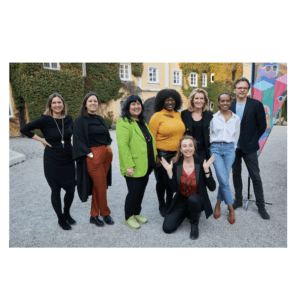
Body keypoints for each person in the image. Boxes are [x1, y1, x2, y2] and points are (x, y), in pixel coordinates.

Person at [20, 93, 76, 230]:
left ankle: (67, 213)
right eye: (54, 103)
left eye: (59, 102)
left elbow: (74, 133)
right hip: (52, 161)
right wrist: (42, 140)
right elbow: (24, 129)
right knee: (55, 190)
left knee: (71, 189)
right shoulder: (45, 119)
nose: (57, 105)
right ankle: (61, 218)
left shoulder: (68, 118)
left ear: (63, 104)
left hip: (68, 159)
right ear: (50, 105)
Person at [160, 135, 216, 240]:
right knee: (167, 228)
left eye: (190, 145)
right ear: (180, 149)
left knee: (193, 199)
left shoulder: (201, 163)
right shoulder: (176, 165)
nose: (188, 148)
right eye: (184, 146)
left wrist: (207, 170)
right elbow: (173, 190)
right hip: (181, 198)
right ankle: (187, 211)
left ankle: (194, 224)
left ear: (194, 148)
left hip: (196, 198)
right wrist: (169, 172)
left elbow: (212, 188)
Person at [230, 77, 270, 219]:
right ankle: (238, 200)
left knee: (255, 176)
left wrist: (252, 139)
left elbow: (262, 126)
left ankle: (261, 206)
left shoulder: (256, 104)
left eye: (245, 88)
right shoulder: (230, 105)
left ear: (248, 90)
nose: (242, 90)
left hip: (250, 147)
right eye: (239, 87)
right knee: (236, 174)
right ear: (235, 89)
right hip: (234, 147)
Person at [73, 92, 114, 227]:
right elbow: (78, 140)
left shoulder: (100, 118)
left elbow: (107, 135)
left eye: (95, 101)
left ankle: (94, 215)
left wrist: (108, 149)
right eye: (90, 101)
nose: (93, 103)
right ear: (85, 103)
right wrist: (89, 154)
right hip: (93, 155)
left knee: (99, 186)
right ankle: (104, 214)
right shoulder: (80, 120)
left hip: (106, 155)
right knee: (101, 185)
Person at [116, 95, 157, 229]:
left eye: (138, 104)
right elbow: (123, 146)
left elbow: (149, 141)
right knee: (133, 192)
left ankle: (136, 213)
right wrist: (128, 165)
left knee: (141, 190)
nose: (136, 106)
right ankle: (128, 217)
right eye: (133, 104)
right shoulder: (124, 122)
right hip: (133, 165)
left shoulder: (142, 121)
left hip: (145, 164)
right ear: (127, 107)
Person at [149, 89, 185, 217]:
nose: (170, 102)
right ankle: (161, 203)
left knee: (173, 180)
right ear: (162, 101)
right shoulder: (156, 116)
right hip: (162, 154)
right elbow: (151, 139)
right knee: (162, 181)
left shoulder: (179, 115)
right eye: (167, 100)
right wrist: (155, 156)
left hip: (177, 154)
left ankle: (170, 201)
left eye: (172, 99)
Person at [210, 93, 240, 224]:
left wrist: (232, 148)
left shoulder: (236, 118)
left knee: (224, 179)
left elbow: (236, 136)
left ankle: (217, 204)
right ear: (218, 103)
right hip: (215, 149)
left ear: (231, 102)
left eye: (227, 101)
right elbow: (209, 134)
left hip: (229, 150)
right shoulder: (212, 118)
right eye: (222, 101)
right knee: (223, 178)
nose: (225, 103)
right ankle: (230, 208)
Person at [181, 88, 213, 160]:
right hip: (188, 150)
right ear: (192, 100)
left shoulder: (209, 115)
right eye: (196, 98)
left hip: (203, 151)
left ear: (205, 100)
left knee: (203, 170)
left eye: (202, 98)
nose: (199, 101)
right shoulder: (184, 114)